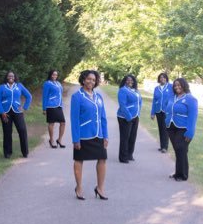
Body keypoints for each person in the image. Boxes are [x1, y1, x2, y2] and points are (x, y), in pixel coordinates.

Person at [70, 70, 108, 200]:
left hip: (99, 134)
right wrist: (76, 139)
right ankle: (79, 187)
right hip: (83, 135)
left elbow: (103, 117)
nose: (91, 81)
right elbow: (74, 119)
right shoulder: (77, 97)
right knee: (79, 160)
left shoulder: (99, 97)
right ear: (83, 79)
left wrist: (106, 135)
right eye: (89, 79)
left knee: (102, 159)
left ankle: (100, 188)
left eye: (93, 79)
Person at [165, 78, 198, 181]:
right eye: (175, 85)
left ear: (184, 85)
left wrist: (190, 132)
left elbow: (193, 116)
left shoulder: (190, 99)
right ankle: (177, 172)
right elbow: (168, 109)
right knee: (178, 151)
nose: (177, 87)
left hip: (183, 128)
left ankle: (183, 175)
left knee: (181, 149)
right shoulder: (172, 97)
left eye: (179, 85)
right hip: (171, 127)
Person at [0, 71, 32, 158]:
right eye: (9, 76)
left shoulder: (19, 86)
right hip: (5, 112)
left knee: (22, 130)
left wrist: (24, 107)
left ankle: (25, 152)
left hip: (18, 111)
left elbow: (29, 96)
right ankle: (7, 153)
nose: (11, 77)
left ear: (15, 77)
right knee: (7, 132)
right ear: (7, 77)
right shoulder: (2, 87)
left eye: (12, 76)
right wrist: (2, 112)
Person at [117, 74, 142, 163]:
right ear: (125, 81)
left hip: (135, 116)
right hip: (125, 117)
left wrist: (138, 113)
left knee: (132, 137)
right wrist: (129, 117)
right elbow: (122, 105)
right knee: (125, 138)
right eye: (128, 80)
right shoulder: (123, 90)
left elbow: (140, 102)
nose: (130, 81)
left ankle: (129, 154)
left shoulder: (136, 90)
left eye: (131, 80)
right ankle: (123, 157)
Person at [42, 69, 66, 148]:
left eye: (56, 75)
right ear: (50, 75)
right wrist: (44, 108)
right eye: (53, 74)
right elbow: (44, 96)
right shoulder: (47, 84)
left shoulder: (58, 83)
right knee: (51, 123)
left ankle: (59, 139)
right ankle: (51, 140)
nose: (54, 76)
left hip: (59, 105)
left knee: (63, 123)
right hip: (50, 105)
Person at [151, 73, 173, 153]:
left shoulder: (171, 86)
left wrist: (169, 104)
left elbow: (173, 97)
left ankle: (165, 147)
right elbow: (154, 100)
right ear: (159, 79)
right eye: (160, 78)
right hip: (158, 111)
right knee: (160, 128)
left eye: (164, 77)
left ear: (166, 78)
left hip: (167, 111)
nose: (162, 79)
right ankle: (162, 146)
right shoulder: (156, 88)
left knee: (165, 128)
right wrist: (152, 113)